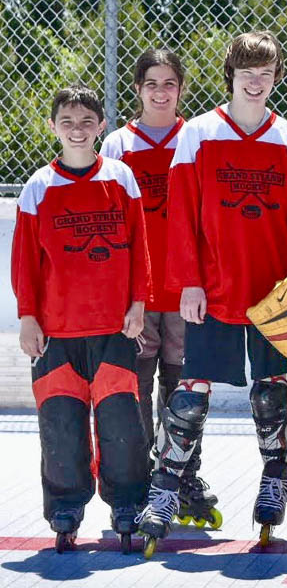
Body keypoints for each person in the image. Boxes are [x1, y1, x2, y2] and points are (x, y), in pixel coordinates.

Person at [138, 31, 287, 550]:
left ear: (276, 78)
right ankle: (165, 488)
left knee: (272, 392)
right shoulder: (199, 132)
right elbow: (182, 215)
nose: (256, 83)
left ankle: (274, 480)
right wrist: (189, 281)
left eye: (265, 74)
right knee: (191, 393)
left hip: (273, 290)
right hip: (214, 285)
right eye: (247, 74)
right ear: (230, 77)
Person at [12, 84, 150, 551]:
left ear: (101, 126)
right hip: (57, 332)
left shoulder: (120, 177)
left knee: (121, 426)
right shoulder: (39, 186)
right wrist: (28, 318)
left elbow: (140, 247)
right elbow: (25, 263)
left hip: (114, 327)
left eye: (87, 122)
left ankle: (128, 502)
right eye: (67, 122)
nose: (77, 130)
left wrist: (138, 303)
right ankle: (66, 506)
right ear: (52, 127)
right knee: (61, 425)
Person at [101, 49, 220, 530]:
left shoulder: (195, 137)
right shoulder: (118, 144)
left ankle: (182, 475)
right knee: (137, 384)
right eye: (151, 83)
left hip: (186, 287)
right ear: (137, 89)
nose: (160, 92)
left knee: (183, 387)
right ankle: (140, 480)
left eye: (169, 83)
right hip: (138, 290)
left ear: (181, 89)